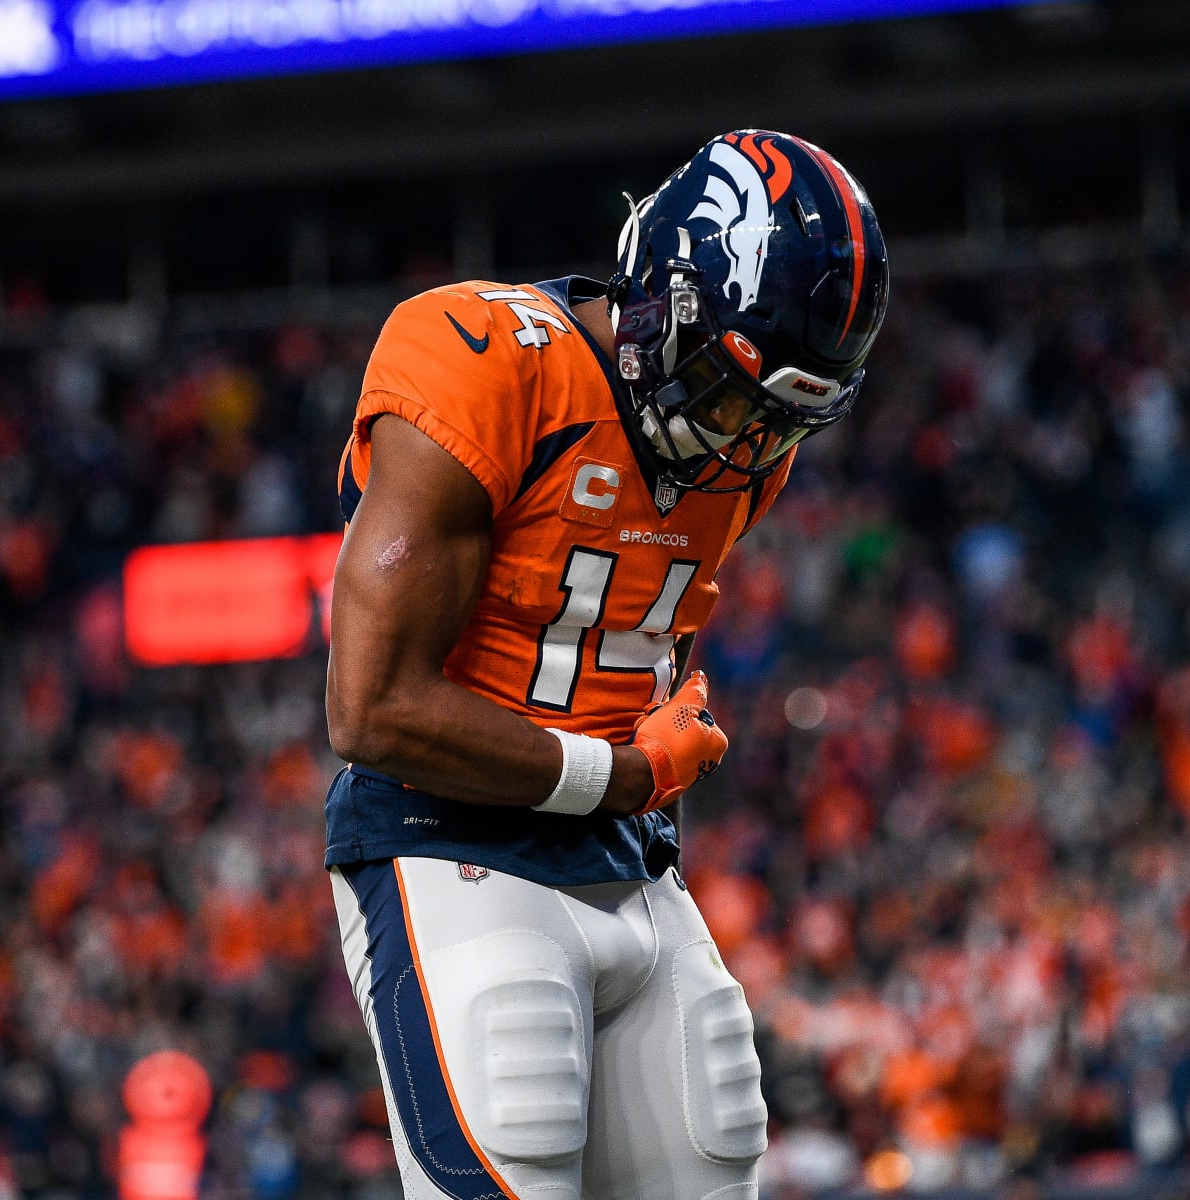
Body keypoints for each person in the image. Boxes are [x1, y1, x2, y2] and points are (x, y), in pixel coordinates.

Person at [321, 130, 890, 1200]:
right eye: (731, 397)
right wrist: (623, 774)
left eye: (778, 420)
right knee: (519, 1135)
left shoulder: (745, 446)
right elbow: (371, 709)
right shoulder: (483, 358)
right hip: (451, 846)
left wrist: (640, 771)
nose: (747, 443)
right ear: (663, 294)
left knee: (720, 1143)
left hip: (628, 858)